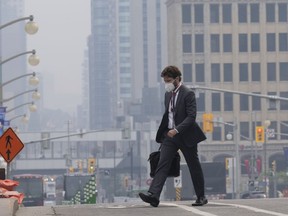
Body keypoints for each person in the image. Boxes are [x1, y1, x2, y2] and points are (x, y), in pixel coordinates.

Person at [139, 65, 207, 207]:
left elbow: (191, 117)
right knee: (162, 164)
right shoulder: (167, 94)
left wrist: (177, 130)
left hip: (186, 136)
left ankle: (201, 196)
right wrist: (165, 132)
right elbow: (169, 114)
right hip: (169, 136)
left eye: (169, 80)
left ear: (177, 78)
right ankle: (154, 195)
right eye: (165, 80)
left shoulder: (188, 94)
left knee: (193, 166)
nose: (166, 83)